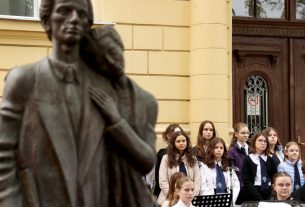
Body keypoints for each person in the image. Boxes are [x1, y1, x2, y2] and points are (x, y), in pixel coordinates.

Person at [81, 26, 158, 206]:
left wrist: (116, 121)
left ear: (121, 47)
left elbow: (147, 160)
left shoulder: (146, 101)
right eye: (101, 59)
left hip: (132, 195)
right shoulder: (88, 96)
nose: (110, 61)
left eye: (112, 52)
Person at [158, 131, 200, 205]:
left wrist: (192, 196)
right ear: (173, 143)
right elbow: (162, 181)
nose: (181, 143)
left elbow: (197, 179)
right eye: (178, 141)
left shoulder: (193, 159)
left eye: (183, 141)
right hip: (169, 199)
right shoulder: (166, 158)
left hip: (189, 199)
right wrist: (173, 196)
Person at [200, 137, 240, 206]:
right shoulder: (204, 166)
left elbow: (236, 185)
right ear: (211, 149)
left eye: (221, 148)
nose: (219, 150)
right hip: (210, 201)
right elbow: (203, 186)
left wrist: (230, 200)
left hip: (227, 201)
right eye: (216, 147)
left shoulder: (228, 166)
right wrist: (212, 201)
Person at [242, 132, 277, 201]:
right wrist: (257, 197)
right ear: (254, 142)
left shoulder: (270, 159)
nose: (263, 143)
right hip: (253, 192)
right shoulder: (248, 159)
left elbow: (274, 177)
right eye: (260, 140)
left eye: (265, 141)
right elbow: (246, 180)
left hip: (269, 192)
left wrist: (272, 193)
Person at [154, 124, 184, 196]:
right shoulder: (162, 154)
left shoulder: (187, 154)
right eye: (175, 133)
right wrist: (171, 195)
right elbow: (160, 178)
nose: (178, 135)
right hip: (167, 195)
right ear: (168, 136)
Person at [228, 122, 250, 205]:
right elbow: (234, 172)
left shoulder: (251, 148)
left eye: (247, 133)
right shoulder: (232, 151)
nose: (246, 135)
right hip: (240, 188)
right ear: (236, 134)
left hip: (251, 188)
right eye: (243, 133)